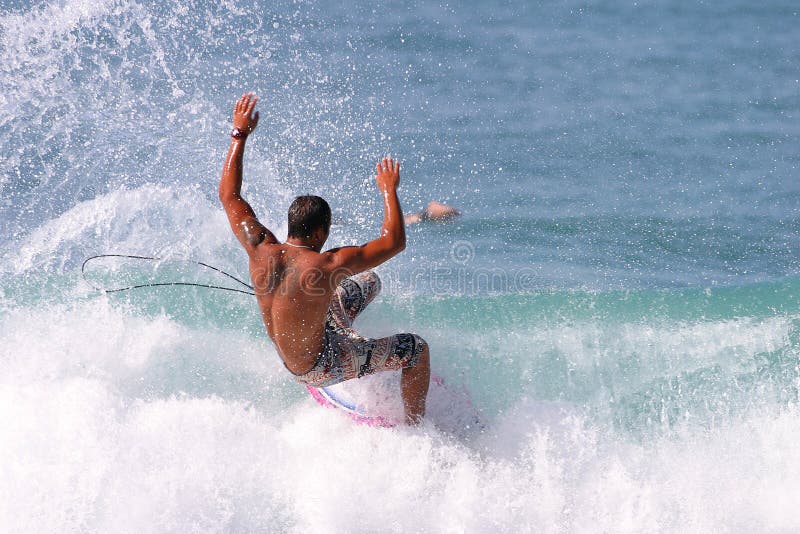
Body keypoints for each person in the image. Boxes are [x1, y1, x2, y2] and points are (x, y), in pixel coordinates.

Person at [219, 93, 430, 424]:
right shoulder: (326, 264)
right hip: (321, 365)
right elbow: (394, 242)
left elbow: (229, 195)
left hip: (290, 354)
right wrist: (389, 189)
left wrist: (239, 134)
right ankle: (417, 427)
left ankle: (348, 337)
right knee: (416, 350)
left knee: (368, 281)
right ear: (319, 233)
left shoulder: (259, 246)